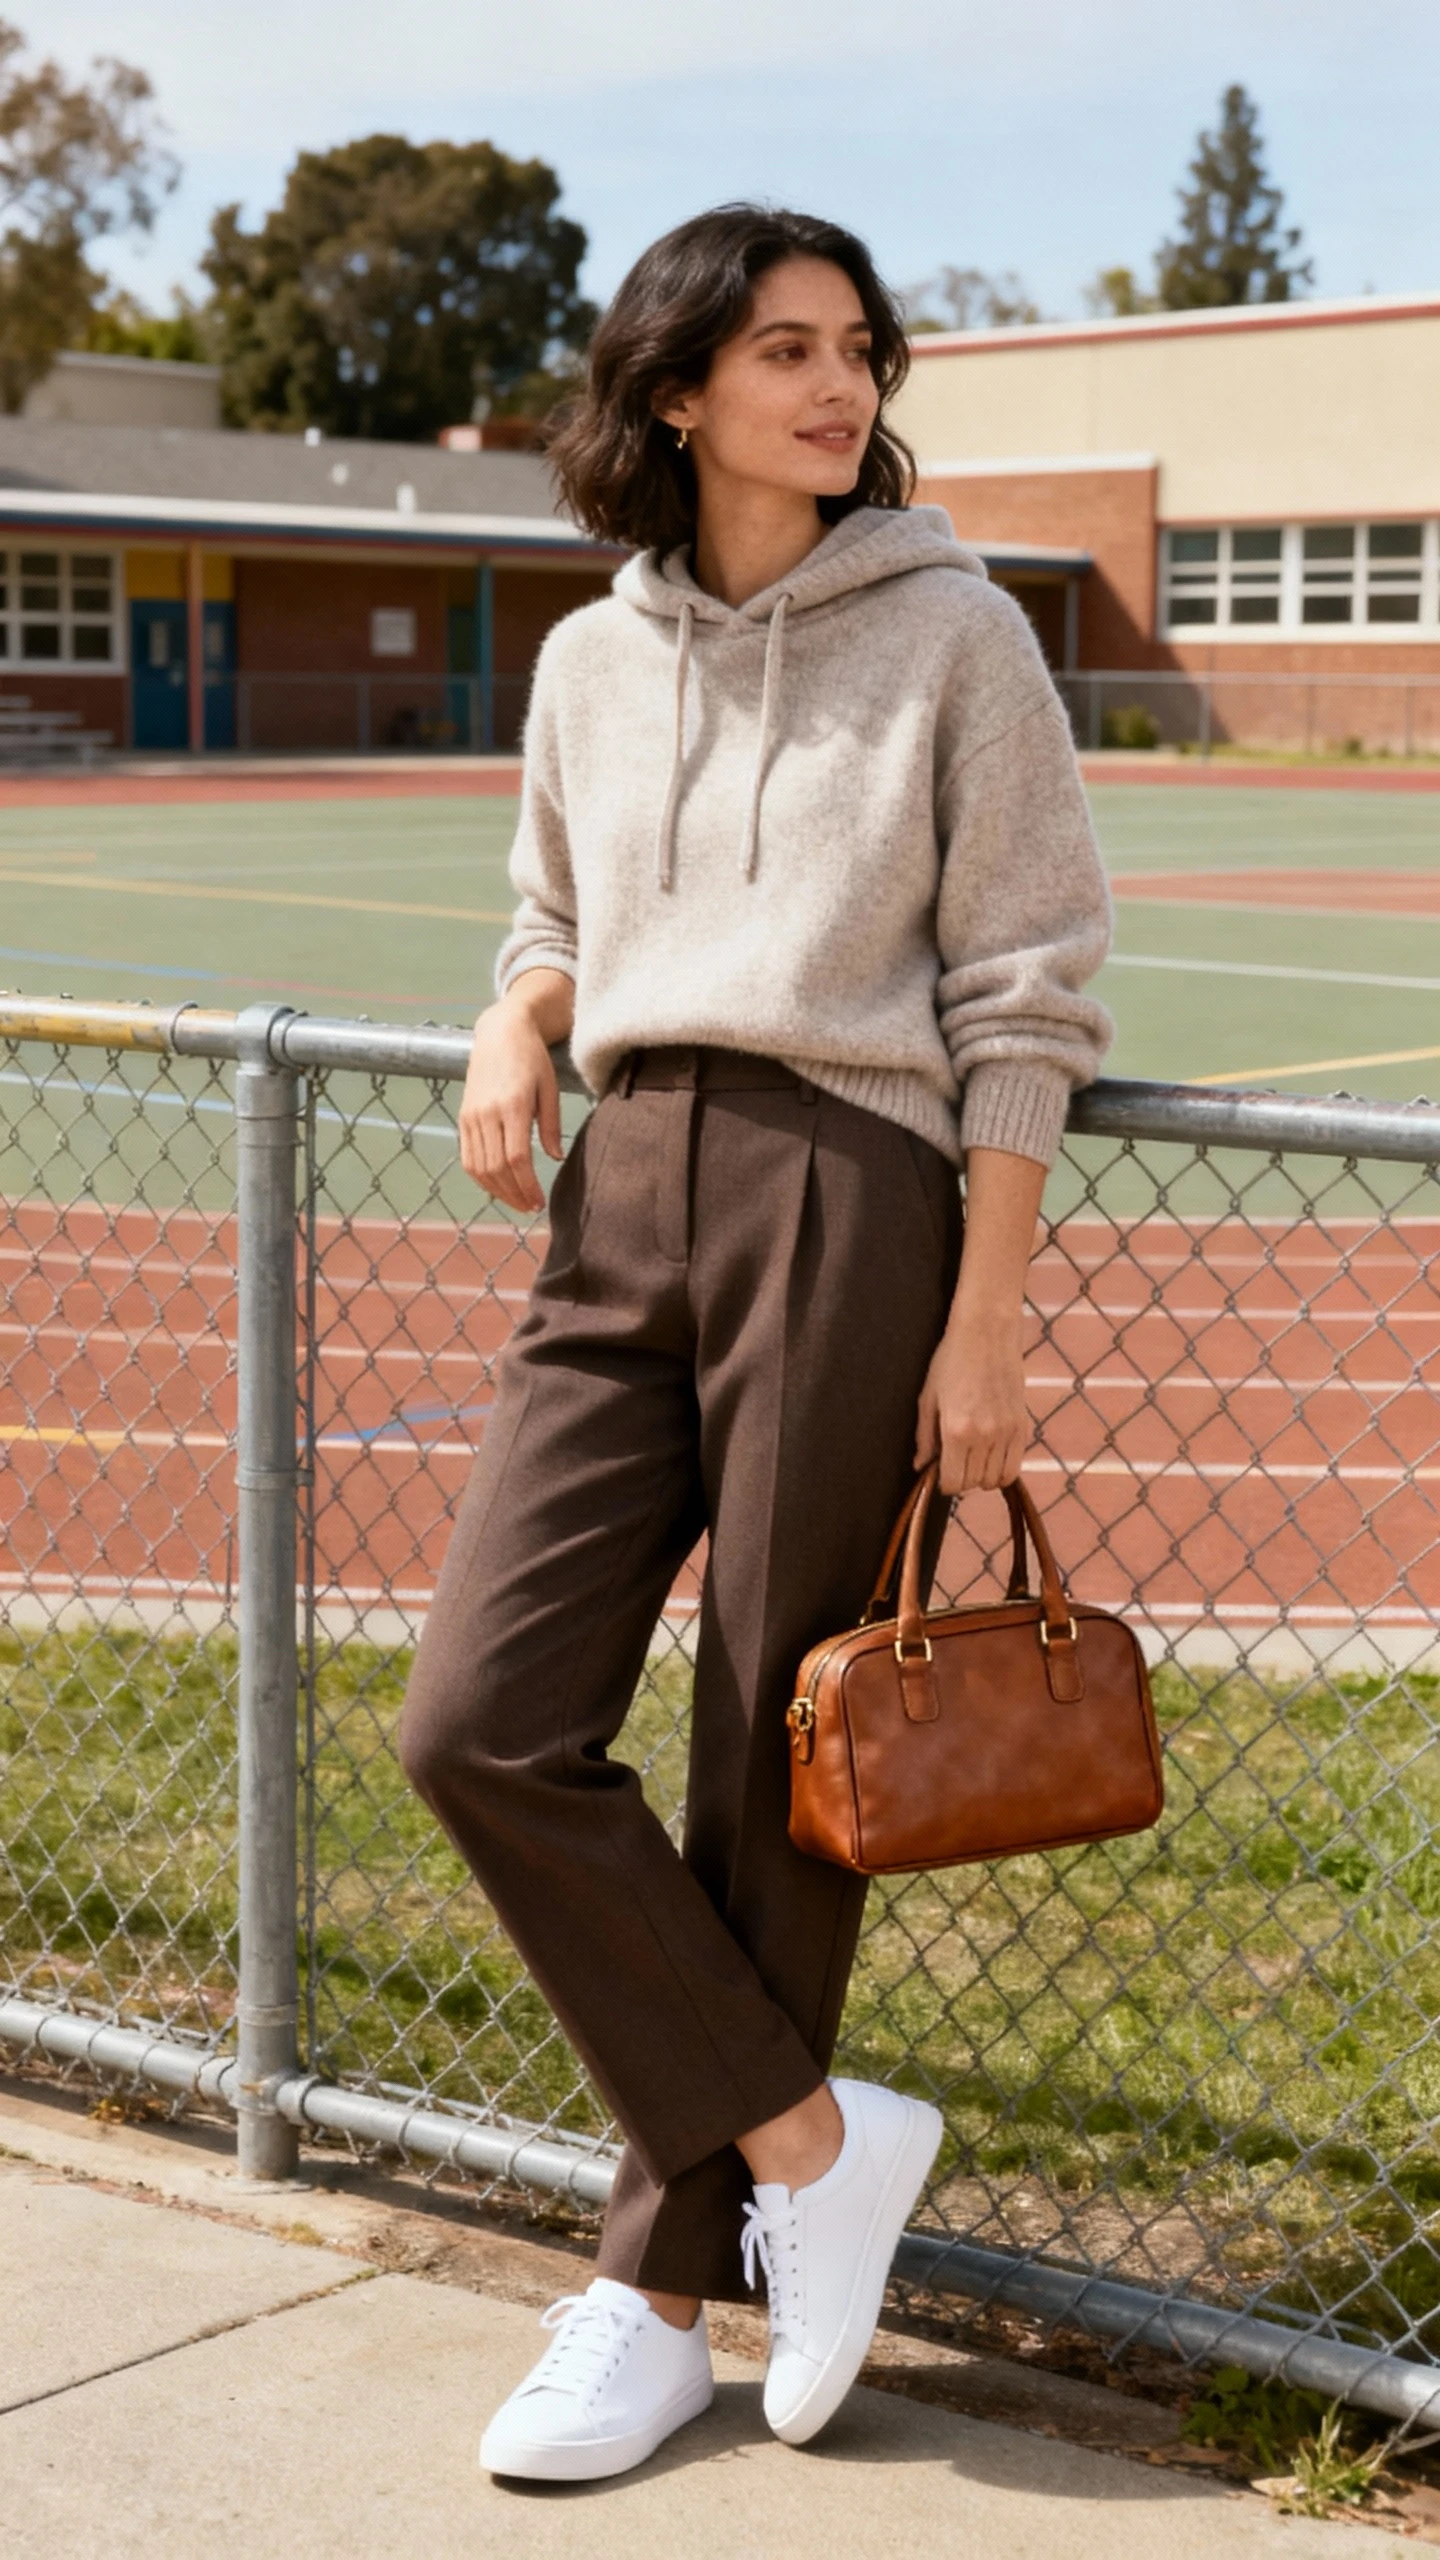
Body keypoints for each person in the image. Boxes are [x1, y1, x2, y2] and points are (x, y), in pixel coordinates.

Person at [397, 201, 1113, 2485]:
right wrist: (517, 1014)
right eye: (782, 349)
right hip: (629, 1185)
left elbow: (1026, 999)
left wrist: (986, 1319)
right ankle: (813, 2140)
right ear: (676, 389)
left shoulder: (959, 635)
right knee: (479, 1720)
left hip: (853, 1184)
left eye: (860, 349)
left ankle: (647, 2289)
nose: (837, 385)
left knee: (762, 1752)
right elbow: (553, 911)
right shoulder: (593, 659)